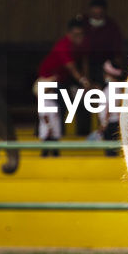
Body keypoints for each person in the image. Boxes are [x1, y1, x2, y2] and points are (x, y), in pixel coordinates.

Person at [35, 16, 90, 156]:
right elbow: (71, 68)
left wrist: (85, 79)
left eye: (82, 34)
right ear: (69, 34)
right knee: (49, 112)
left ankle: (72, 135)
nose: (80, 37)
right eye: (76, 35)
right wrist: (84, 81)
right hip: (48, 81)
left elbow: (83, 62)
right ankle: (47, 145)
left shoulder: (80, 45)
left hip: (64, 82)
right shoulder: (63, 46)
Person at [80, 0, 125, 136]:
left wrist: (116, 72)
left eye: (100, 13)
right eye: (95, 13)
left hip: (107, 67)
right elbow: (84, 56)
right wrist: (85, 79)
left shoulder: (112, 26)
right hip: (89, 67)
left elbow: (118, 52)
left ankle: (107, 131)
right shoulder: (84, 25)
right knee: (83, 97)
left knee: (109, 101)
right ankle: (83, 132)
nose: (97, 16)